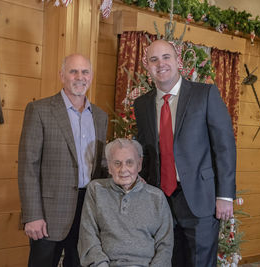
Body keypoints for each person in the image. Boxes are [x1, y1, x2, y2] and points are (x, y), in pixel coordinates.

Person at [134, 39, 236, 267]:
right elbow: (146, 152)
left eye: (166, 57)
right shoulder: (141, 105)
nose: (160, 64)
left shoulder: (205, 95)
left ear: (178, 60)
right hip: (161, 201)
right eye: (153, 59)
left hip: (201, 200)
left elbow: (224, 147)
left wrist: (225, 196)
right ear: (147, 66)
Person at [18, 53, 108, 267]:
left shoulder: (100, 116)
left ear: (91, 76)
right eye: (73, 71)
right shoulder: (39, 110)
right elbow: (27, 167)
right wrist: (32, 215)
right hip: (49, 214)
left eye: (85, 72)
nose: (80, 77)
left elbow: (101, 166)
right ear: (62, 75)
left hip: (88, 209)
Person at [79, 138, 174, 267]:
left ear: (139, 164)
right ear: (109, 167)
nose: (123, 170)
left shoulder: (157, 197)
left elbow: (165, 246)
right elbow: (88, 237)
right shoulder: (96, 190)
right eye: (117, 163)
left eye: (130, 163)